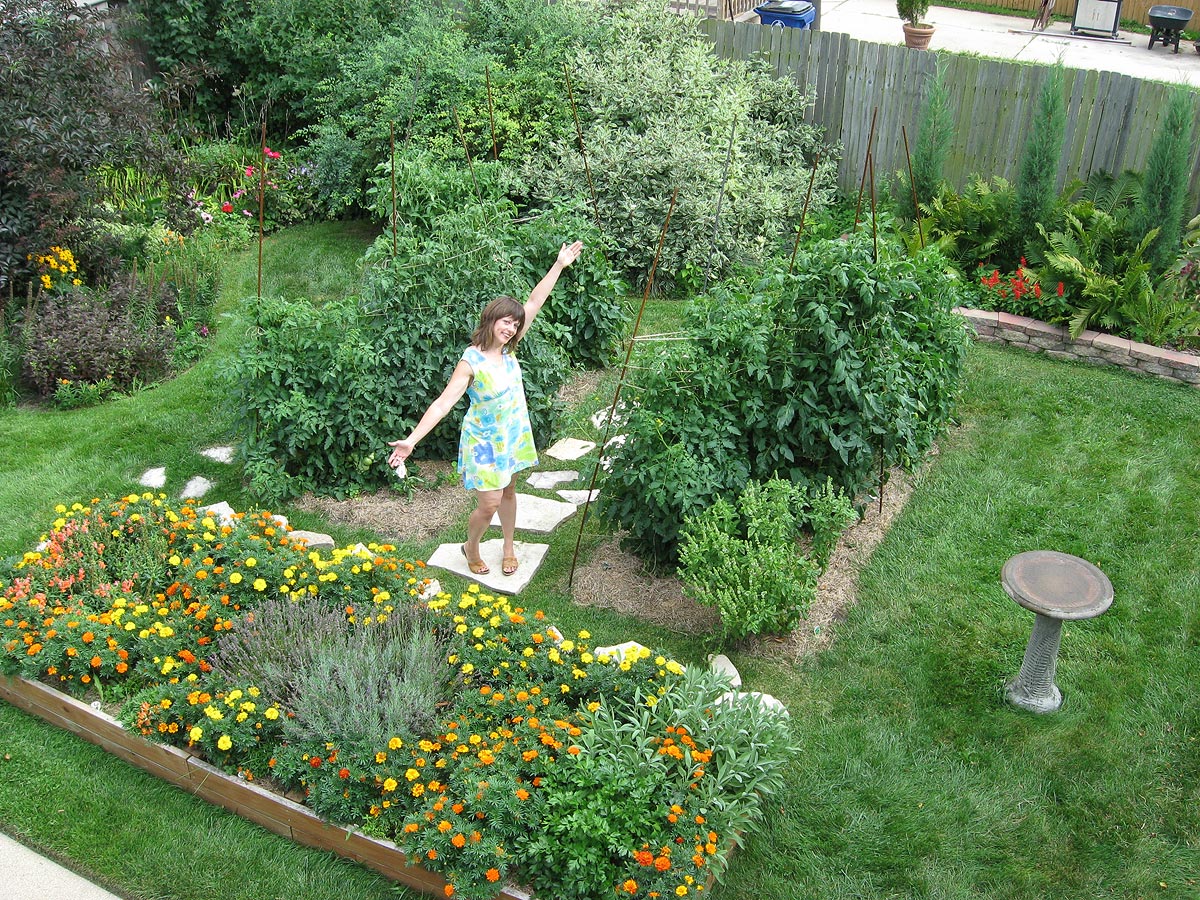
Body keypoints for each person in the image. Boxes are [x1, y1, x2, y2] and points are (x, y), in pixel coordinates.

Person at [388, 240, 584, 577]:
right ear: (491, 320)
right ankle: (471, 546)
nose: (510, 329)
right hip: (483, 440)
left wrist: (559, 265)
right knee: (489, 503)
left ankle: (508, 545)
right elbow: (444, 402)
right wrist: (412, 440)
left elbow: (535, 300)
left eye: (515, 325)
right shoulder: (472, 359)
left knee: (509, 489)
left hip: (511, 432)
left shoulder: (509, 350)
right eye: (505, 322)